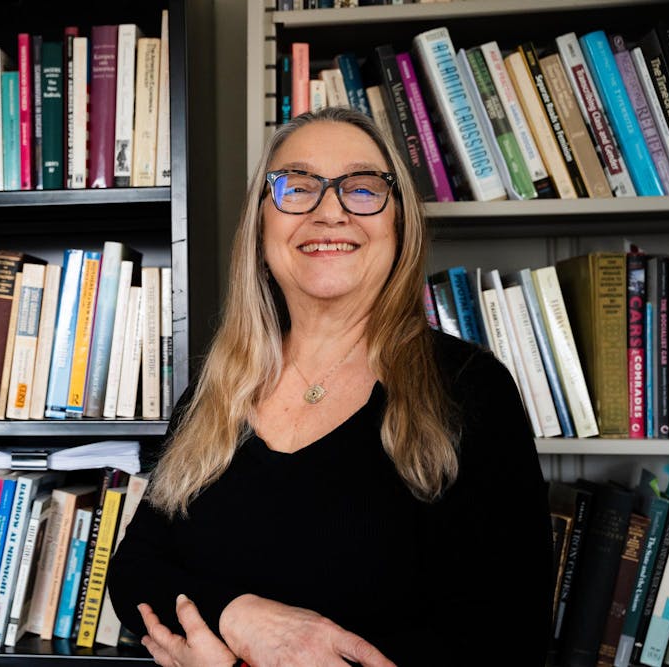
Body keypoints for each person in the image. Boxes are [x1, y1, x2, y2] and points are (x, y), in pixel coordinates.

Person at [107, 106, 554, 667]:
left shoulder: (469, 389)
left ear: (399, 224)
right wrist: (238, 616)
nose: (329, 212)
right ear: (262, 224)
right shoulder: (216, 390)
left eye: (362, 189)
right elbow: (135, 571)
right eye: (297, 187)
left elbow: (508, 640)